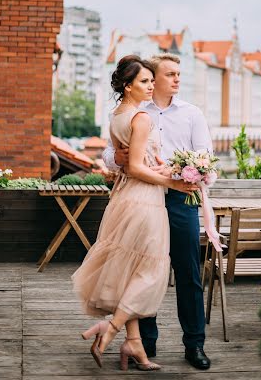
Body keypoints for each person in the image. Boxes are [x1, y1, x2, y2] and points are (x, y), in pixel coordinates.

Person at [72, 55, 197, 371]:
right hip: (145, 200)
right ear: (127, 86)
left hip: (124, 198)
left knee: (132, 269)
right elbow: (135, 166)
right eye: (145, 81)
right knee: (150, 271)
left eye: (152, 80)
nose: (151, 85)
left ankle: (135, 345)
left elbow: (132, 162)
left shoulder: (117, 114)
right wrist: (173, 181)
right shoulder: (142, 117)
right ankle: (110, 330)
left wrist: (163, 166)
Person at [103, 53, 212, 370]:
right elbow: (111, 154)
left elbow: (205, 155)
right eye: (169, 74)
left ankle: (195, 345)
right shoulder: (135, 110)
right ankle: (145, 344)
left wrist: (192, 170)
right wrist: (121, 160)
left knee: (189, 273)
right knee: (143, 272)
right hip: (144, 200)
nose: (176, 79)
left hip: (180, 202)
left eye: (179, 74)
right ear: (152, 77)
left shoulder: (192, 114)